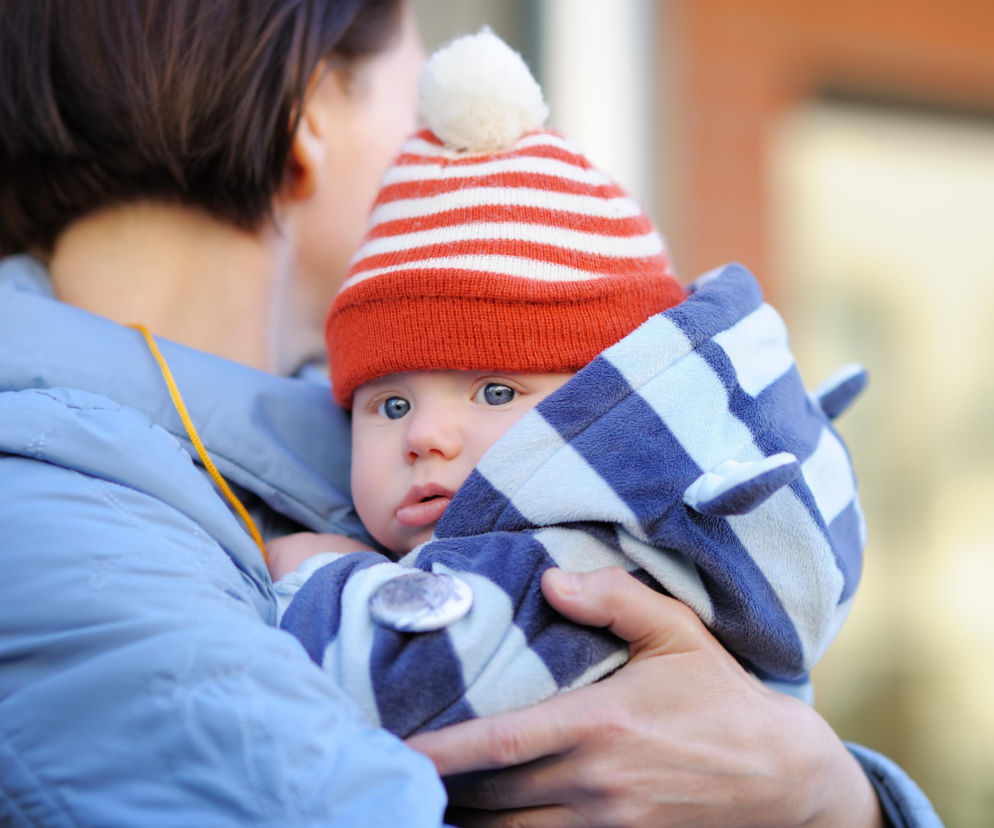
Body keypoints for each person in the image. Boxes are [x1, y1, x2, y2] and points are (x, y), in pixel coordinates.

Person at [0, 1, 941, 826]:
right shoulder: (58, 531)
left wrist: (825, 797)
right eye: (414, 109)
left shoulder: (303, 460)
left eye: (494, 392)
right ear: (310, 118)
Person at [272, 28, 867, 739]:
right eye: (390, 404)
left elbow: (407, 683)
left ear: (607, 411)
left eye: (497, 392)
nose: (423, 435)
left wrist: (322, 580)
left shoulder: (588, 556)